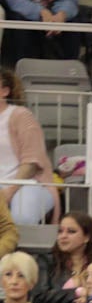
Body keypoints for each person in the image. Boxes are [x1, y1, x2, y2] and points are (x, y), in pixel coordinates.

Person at [0, 70, 52, 226]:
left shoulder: (21, 115)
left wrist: (10, 190)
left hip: (26, 183)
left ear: (5, 91)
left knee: (23, 218)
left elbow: (32, 162)